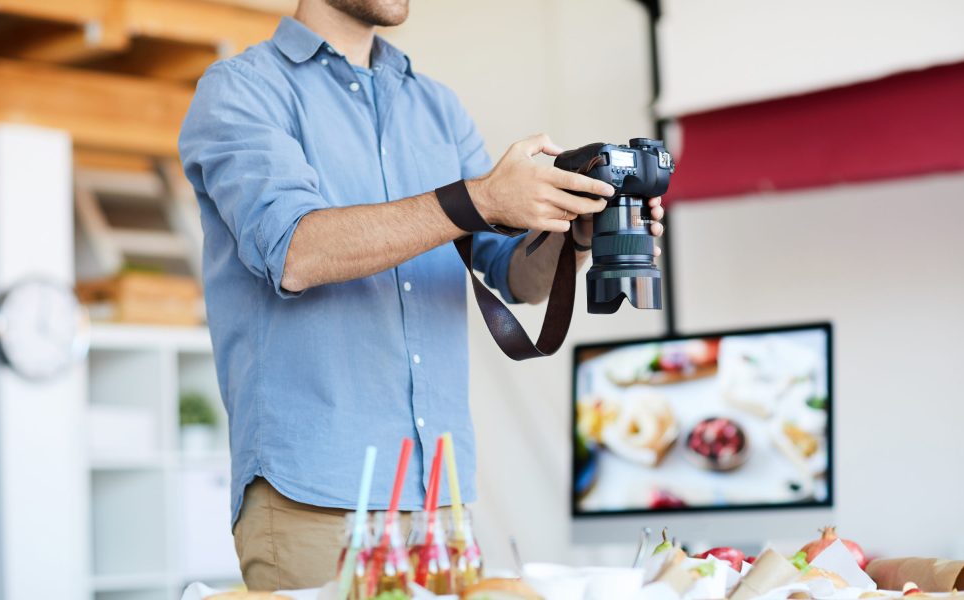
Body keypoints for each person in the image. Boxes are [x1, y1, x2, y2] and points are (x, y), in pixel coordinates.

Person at [179, 0, 665, 590]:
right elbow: (295, 252)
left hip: (441, 497)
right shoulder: (241, 90)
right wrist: (479, 200)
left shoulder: (436, 106)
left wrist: (572, 235)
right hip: (317, 495)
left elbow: (514, 275)